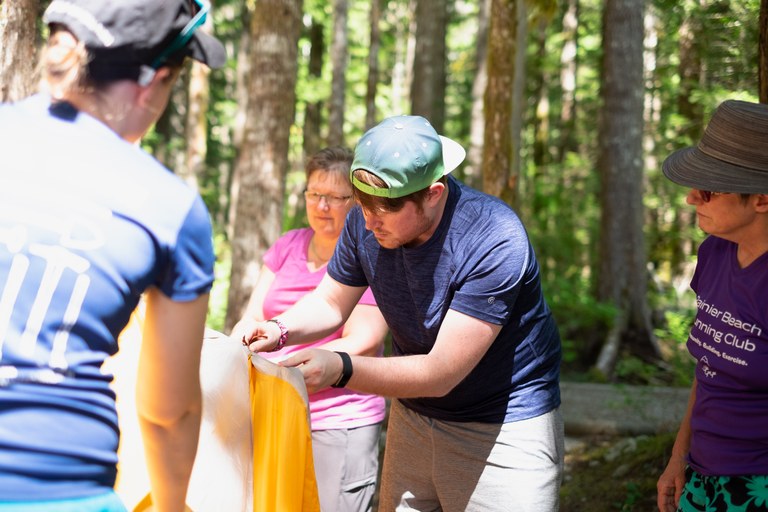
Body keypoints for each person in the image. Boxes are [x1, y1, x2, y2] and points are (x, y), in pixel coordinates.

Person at [241, 115, 564, 511]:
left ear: (433, 193)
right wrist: (279, 327)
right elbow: (330, 302)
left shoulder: (493, 237)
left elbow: (440, 372)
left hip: (501, 423)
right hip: (413, 416)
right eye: (360, 204)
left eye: (385, 209)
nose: (368, 221)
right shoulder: (368, 218)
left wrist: (340, 368)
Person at [0, 0, 225, 510]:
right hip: (61, 485)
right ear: (155, 82)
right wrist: (172, 505)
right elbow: (168, 409)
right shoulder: (170, 208)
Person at [230, 146, 389, 512]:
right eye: (315, 194)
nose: (322, 206)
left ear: (357, 201)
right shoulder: (288, 244)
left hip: (338, 418)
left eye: (335, 197)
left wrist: (309, 366)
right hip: (272, 407)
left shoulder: (372, 252)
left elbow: (364, 339)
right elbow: (253, 314)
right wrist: (243, 338)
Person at [656, 99, 768, 512]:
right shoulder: (715, 253)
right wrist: (678, 457)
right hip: (703, 473)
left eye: (710, 189)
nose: (691, 199)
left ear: (761, 199)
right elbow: (708, 371)